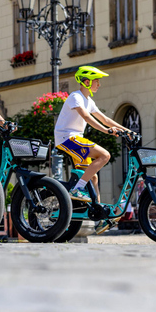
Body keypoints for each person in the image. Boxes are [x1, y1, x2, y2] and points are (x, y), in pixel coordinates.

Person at [54, 65, 134, 234]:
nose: (99, 84)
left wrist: (128, 131)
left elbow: (105, 119)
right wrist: (106, 131)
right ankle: (77, 189)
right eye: (97, 81)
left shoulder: (89, 101)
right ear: (87, 81)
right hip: (67, 138)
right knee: (104, 155)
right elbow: (86, 117)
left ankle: (98, 215)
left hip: (75, 138)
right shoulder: (75, 97)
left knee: (94, 178)